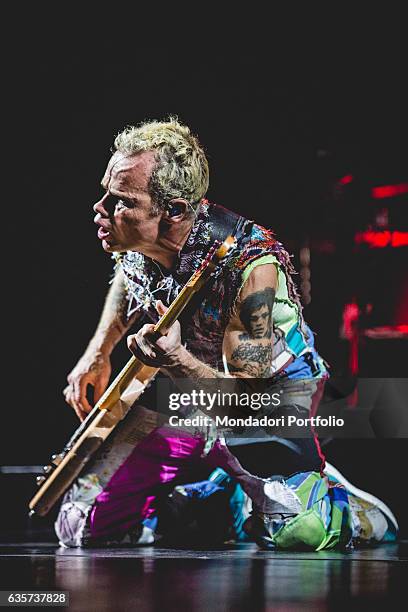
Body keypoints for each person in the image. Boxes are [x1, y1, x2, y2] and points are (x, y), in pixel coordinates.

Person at [57, 117, 396, 550]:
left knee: (297, 532)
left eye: (120, 201)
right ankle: (227, 496)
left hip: (263, 397)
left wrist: (177, 360)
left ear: (175, 210)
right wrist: (99, 351)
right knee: (80, 525)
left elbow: (247, 395)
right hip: (186, 395)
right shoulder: (138, 239)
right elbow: (130, 277)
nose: (100, 208)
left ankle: (348, 508)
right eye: (106, 192)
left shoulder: (252, 269)